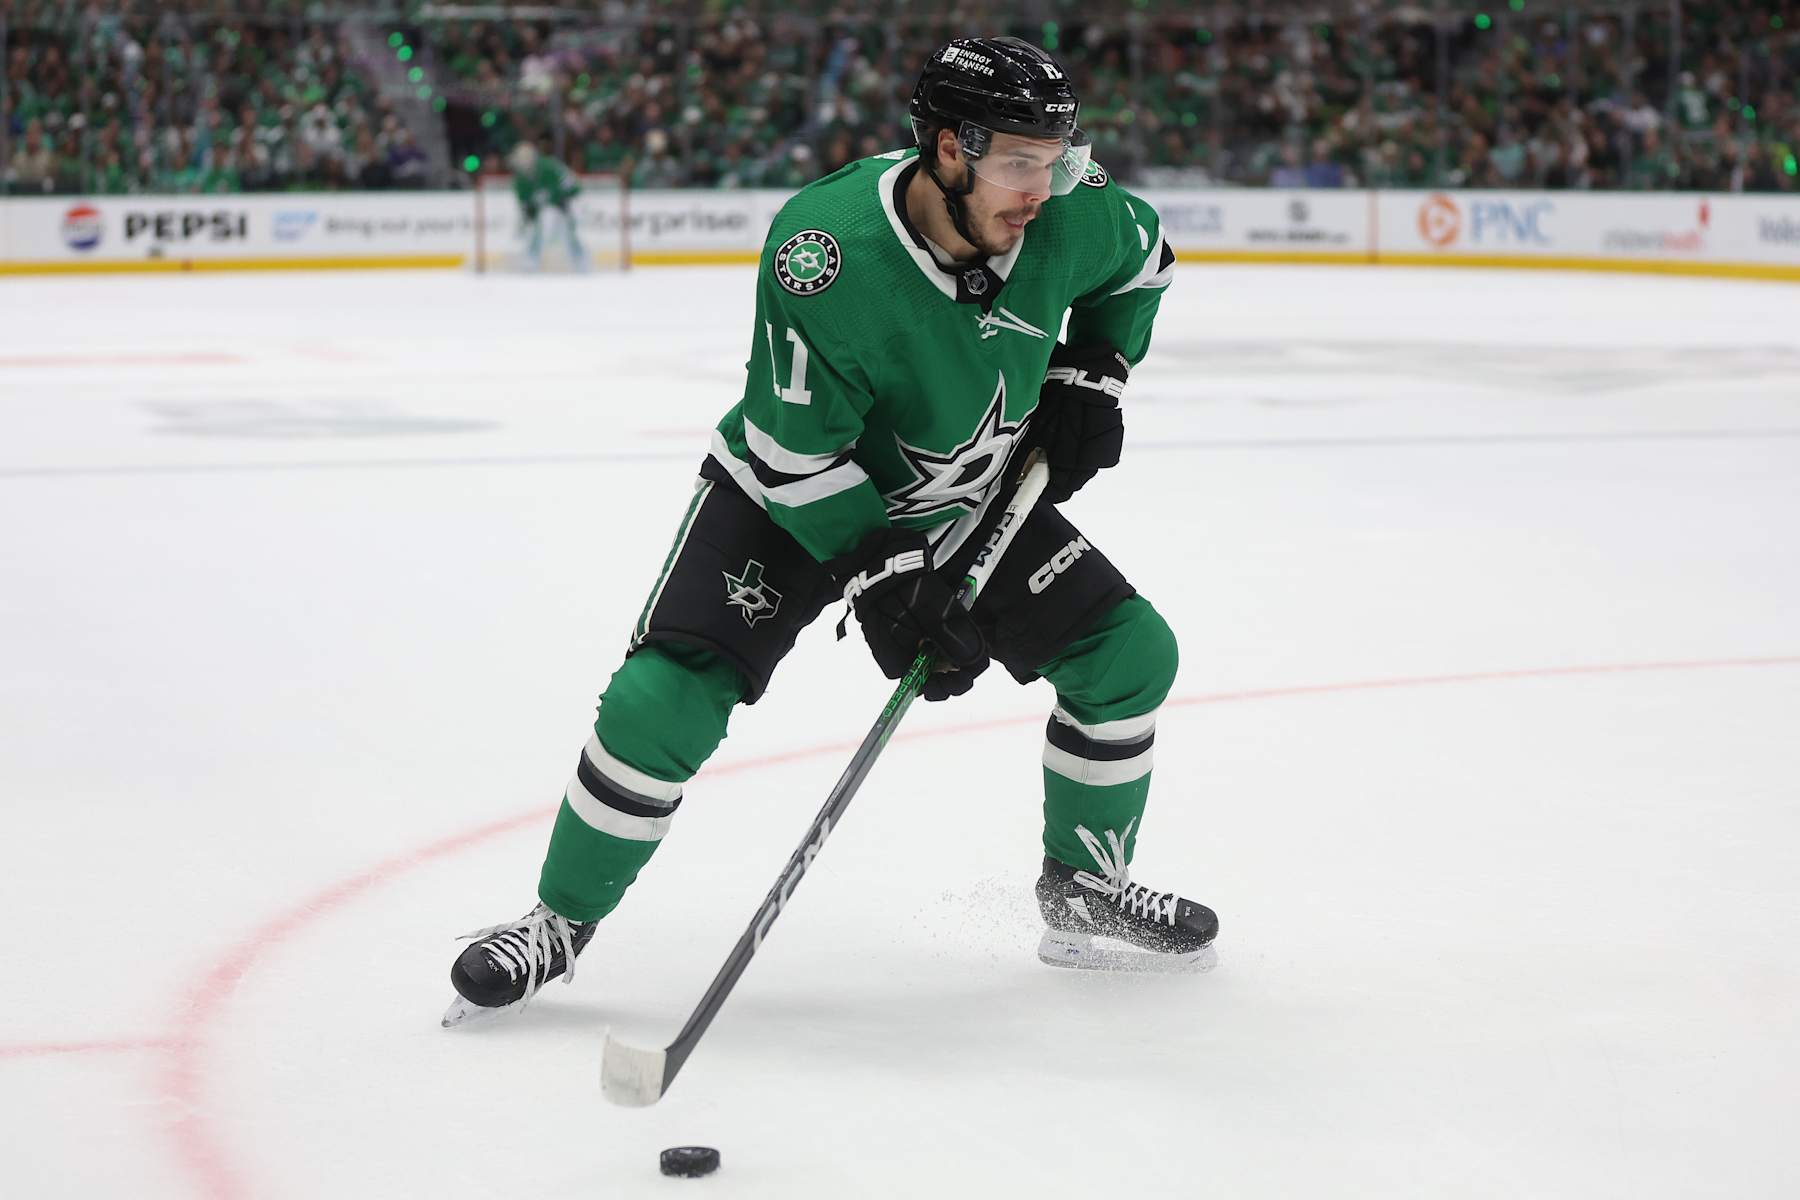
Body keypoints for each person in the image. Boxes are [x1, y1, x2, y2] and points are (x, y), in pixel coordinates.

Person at [444, 37, 1217, 1027]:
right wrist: (889, 583)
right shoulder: (828, 251)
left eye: (1058, 155)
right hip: (794, 495)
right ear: (949, 149)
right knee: (661, 699)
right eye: (1022, 160)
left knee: (1128, 654)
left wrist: (1096, 367)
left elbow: (1144, 261)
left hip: (964, 491)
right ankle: (557, 922)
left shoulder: (1067, 210)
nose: (1049, 183)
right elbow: (794, 451)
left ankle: (1082, 890)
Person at [508, 141, 586, 269]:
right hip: (547, 209)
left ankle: (580, 258)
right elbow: (525, 204)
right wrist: (528, 215)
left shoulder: (549, 167)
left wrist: (566, 200)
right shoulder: (519, 180)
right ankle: (531, 258)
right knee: (540, 225)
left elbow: (573, 186)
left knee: (568, 230)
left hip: (567, 203)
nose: (523, 164)